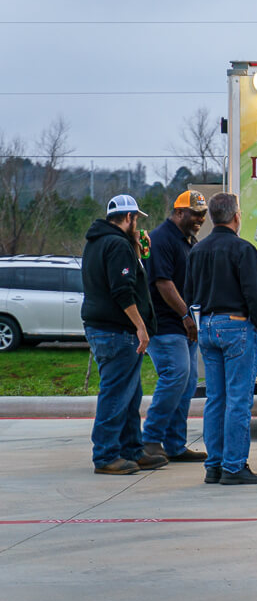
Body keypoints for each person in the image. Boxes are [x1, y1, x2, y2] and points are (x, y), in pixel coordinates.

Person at [183, 192, 257, 485]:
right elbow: (256, 296)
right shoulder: (243, 250)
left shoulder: (197, 250)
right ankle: (234, 465)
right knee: (238, 400)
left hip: (206, 325)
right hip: (236, 325)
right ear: (236, 216)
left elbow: (189, 294)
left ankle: (215, 464)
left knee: (215, 399)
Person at [81, 194, 167, 475]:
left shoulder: (96, 243)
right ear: (128, 218)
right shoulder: (117, 245)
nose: (138, 225)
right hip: (118, 330)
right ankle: (106, 455)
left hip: (103, 328)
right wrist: (141, 326)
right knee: (117, 394)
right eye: (136, 220)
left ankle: (132, 449)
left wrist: (139, 256)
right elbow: (121, 290)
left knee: (130, 393)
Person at [142, 190, 208, 464]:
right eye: (195, 214)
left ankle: (174, 445)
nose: (200, 219)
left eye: (203, 215)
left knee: (188, 382)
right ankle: (149, 441)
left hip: (186, 326)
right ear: (179, 211)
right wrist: (185, 316)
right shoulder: (161, 239)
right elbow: (163, 283)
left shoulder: (186, 241)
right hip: (166, 324)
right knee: (176, 375)